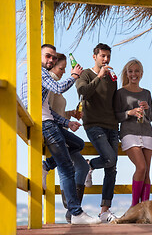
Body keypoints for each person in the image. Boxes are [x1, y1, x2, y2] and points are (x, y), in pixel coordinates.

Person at [19, 44, 100, 224]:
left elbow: (47, 109)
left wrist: (67, 122)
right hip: (46, 125)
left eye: (54, 58)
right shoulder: (38, 73)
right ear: (37, 56)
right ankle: (76, 213)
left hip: (49, 122)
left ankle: (46, 165)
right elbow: (59, 88)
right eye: (48, 56)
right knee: (66, 168)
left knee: (78, 144)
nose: (51, 60)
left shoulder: (39, 75)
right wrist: (74, 76)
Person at [41, 53, 89, 223]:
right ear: (52, 67)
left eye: (63, 69)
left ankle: (73, 212)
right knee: (72, 168)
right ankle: (73, 211)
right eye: (60, 68)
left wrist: (69, 117)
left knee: (77, 161)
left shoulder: (53, 84)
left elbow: (54, 111)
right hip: (54, 131)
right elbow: (48, 112)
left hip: (60, 128)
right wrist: (74, 76)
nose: (62, 72)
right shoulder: (51, 84)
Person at [75, 43, 119, 223]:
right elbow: (82, 91)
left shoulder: (113, 77)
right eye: (103, 56)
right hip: (93, 124)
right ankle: (89, 165)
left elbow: (115, 102)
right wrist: (99, 77)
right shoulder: (86, 73)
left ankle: (104, 211)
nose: (106, 59)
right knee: (110, 158)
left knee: (112, 167)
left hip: (112, 126)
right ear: (95, 57)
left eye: (108, 56)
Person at [115, 59, 152, 207]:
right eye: (130, 71)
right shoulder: (120, 93)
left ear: (141, 73)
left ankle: (144, 208)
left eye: (137, 71)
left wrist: (147, 108)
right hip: (128, 133)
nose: (134, 74)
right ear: (127, 73)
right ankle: (134, 207)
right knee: (141, 167)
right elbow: (115, 115)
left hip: (147, 132)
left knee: (147, 173)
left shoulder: (147, 93)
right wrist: (129, 112)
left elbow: (151, 117)